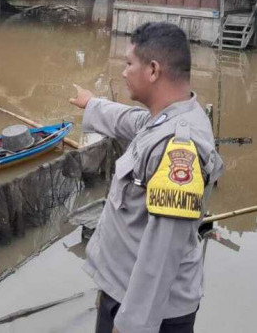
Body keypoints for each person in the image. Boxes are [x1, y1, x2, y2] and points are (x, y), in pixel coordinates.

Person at [69, 22, 223, 333]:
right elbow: (132, 121)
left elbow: (162, 255)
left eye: (128, 64)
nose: (123, 72)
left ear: (153, 70)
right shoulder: (167, 117)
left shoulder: (180, 147)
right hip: (124, 292)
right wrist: (93, 104)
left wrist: (130, 326)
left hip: (150, 313)